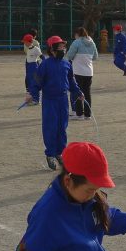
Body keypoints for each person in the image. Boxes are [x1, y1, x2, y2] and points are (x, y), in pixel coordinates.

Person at [36, 35, 84, 170]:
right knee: (50, 127)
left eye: (64, 46)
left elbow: (71, 81)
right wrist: (32, 93)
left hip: (63, 100)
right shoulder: (45, 64)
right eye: (61, 47)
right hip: (49, 100)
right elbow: (37, 80)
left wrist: (78, 92)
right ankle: (50, 154)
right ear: (52, 49)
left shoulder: (66, 63)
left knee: (62, 127)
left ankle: (60, 152)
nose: (63, 49)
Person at [66, 27, 98, 119]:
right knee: (87, 93)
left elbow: (69, 56)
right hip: (89, 72)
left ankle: (79, 114)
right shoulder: (92, 42)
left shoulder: (76, 42)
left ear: (77, 34)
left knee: (77, 92)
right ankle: (87, 115)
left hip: (78, 71)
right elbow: (95, 57)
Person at [24, 33, 44, 104]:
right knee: (30, 84)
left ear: (29, 42)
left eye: (25, 42)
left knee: (35, 83)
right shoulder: (28, 50)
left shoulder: (36, 49)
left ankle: (36, 100)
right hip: (29, 67)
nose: (24, 43)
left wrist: (44, 65)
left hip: (34, 67)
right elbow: (28, 60)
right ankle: (31, 99)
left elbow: (42, 57)